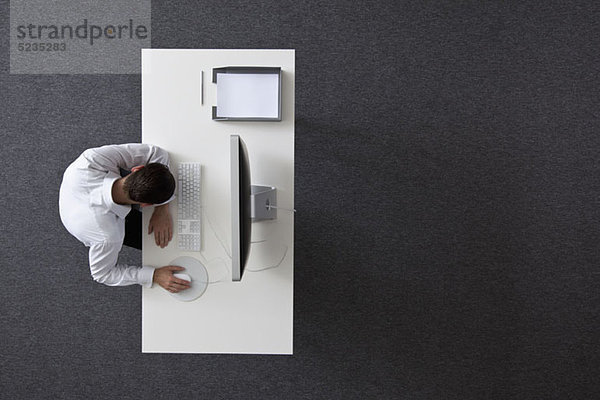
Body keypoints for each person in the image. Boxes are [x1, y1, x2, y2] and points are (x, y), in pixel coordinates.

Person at [59, 143, 190, 293]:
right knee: (160, 244)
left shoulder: (91, 159)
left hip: (77, 187)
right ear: (146, 205)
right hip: (85, 223)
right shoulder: (108, 236)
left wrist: (162, 208)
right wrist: (153, 275)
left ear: (136, 168)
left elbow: (158, 153)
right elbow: (102, 274)